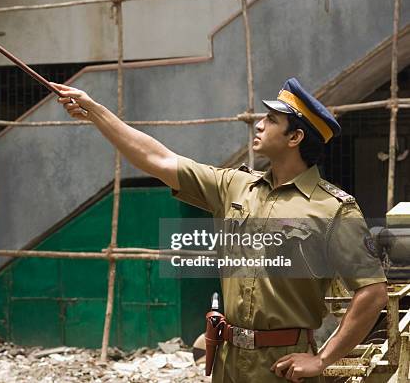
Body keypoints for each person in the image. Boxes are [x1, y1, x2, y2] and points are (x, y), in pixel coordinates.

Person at [51, 78, 388, 382]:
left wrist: (324, 359)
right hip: (228, 362)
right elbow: (158, 159)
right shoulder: (235, 186)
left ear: (295, 137)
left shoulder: (333, 208)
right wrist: (95, 112)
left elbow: (372, 292)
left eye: (271, 120)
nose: (258, 124)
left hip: (282, 367)